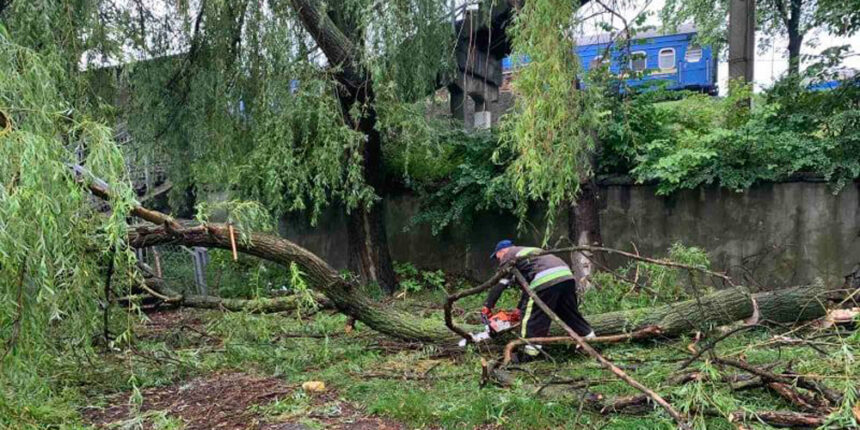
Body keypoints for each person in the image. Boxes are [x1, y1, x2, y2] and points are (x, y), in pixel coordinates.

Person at [483, 240, 595, 360]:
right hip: (566, 276)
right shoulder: (529, 252)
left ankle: (528, 353)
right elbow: (528, 290)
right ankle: (589, 340)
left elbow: (500, 284)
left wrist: (488, 305)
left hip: (545, 279)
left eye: (497, 257)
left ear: (502, 251)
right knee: (568, 313)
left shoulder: (509, 255)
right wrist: (518, 309)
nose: (498, 260)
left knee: (533, 318)